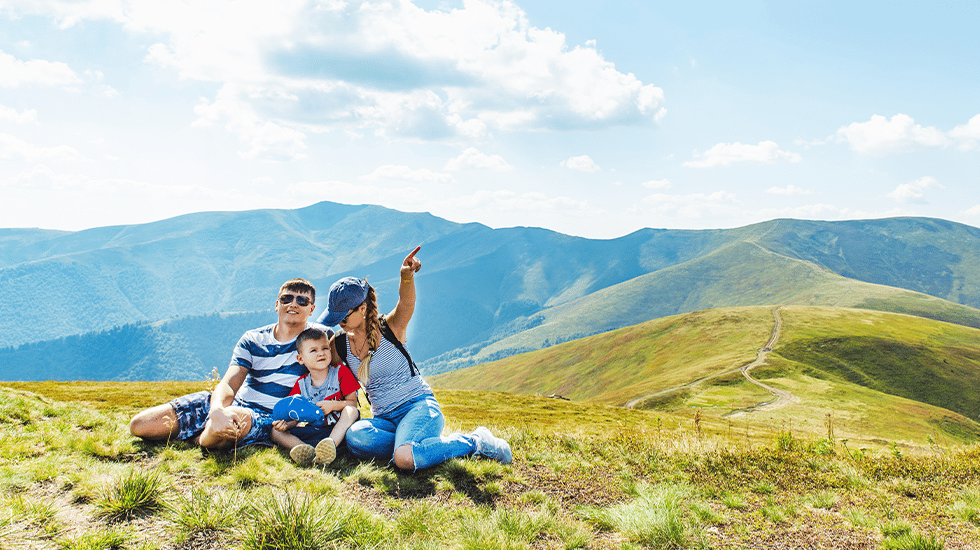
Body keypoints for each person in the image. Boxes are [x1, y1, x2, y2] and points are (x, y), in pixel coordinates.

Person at [317, 246, 512, 471]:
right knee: (355, 437)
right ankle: (416, 447)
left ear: (362, 308)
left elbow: (406, 303)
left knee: (403, 459)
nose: (338, 321)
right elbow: (316, 361)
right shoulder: (339, 345)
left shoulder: (390, 327)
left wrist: (406, 276)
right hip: (384, 419)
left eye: (343, 316)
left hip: (418, 408)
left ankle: (475, 441)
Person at [129, 278, 330, 450]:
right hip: (230, 403)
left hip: (265, 418)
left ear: (311, 309)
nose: (293, 304)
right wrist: (217, 409)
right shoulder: (253, 339)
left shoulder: (320, 341)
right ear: (277, 304)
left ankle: (203, 436)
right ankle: (208, 430)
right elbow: (228, 383)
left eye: (302, 300)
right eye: (287, 298)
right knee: (140, 425)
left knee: (227, 423)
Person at [271, 326, 360, 466]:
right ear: (300, 359)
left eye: (325, 348)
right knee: (275, 432)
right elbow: (296, 416)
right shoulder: (301, 385)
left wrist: (334, 405)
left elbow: (352, 403)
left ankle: (330, 446)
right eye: (313, 350)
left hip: (341, 430)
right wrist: (286, 425)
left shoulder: (341, 372)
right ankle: (307, 451)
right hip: (316, 431)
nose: (321, 353)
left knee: (351, 411)